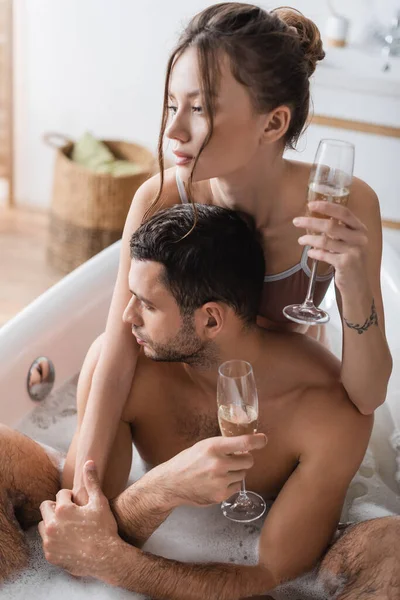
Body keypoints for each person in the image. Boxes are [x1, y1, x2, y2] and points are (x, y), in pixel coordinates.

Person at [70, 3, 392, 507]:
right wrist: (79, 491)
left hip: (277, 419)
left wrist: (351, 281)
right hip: (182, 404)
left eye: (199, 109)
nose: (173, 131)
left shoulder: (343, 205)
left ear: (273, 123)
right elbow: (118, 349)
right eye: (172, 105)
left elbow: (368, 395)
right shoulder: (162, 199)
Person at [1, 204, 396, 598]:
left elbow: (268, 577)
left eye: (148, 304)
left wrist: (117, 561)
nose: (126, 316)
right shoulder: (127, 365)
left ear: (210, 320)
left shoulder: (325, 411)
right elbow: (79, 531)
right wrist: (163, 489)